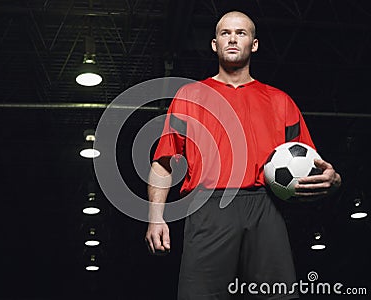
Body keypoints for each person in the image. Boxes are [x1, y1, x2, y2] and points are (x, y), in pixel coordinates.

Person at [145, 11, 341, 300]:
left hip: (265, 206)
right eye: (225, 33)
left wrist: (334, 179)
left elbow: (316, 168)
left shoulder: (280, 101)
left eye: (241, 33)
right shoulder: (189, 96)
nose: (233, 38)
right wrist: (155, 217)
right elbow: (163, 163)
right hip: (208, 207)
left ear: (255, 44)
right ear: (214, 44)